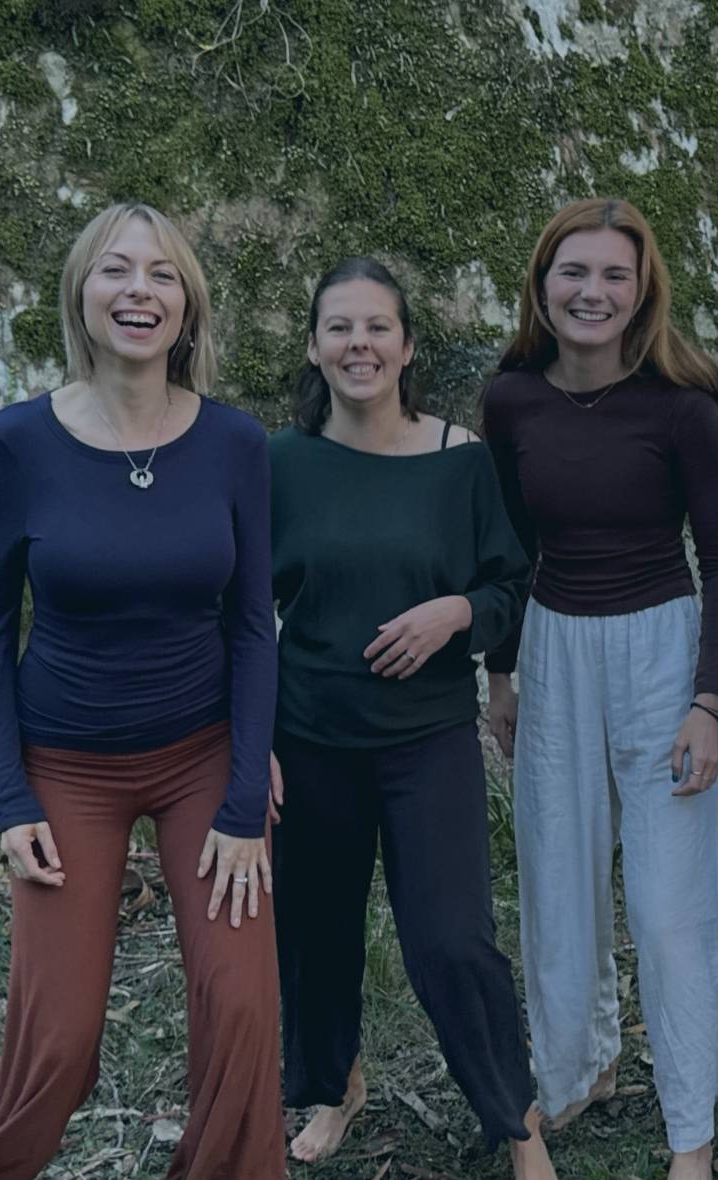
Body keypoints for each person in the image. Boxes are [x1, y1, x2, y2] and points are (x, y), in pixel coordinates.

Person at [0, 202, 284, 1180]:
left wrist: (243, 797)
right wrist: (10, 795)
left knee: (240, 1006)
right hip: (66, 769)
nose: (138, 290)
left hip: (202, 761)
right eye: (115, 269)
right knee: (59, 1037)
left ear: (187, 307)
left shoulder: (235, 444)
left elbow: (252, 625)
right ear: (80, 294)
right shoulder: (20, 441)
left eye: (161, 274)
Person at [482, 198, 718, 1180]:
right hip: (556, 652)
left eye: (614, 275)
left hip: (661, 657)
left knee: (669, 904)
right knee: (557, 882)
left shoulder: (682, 408)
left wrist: (707, 703)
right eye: (573, 271)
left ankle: (691, 1135)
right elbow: (510, 549)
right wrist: (501, 673)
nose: (591, 291)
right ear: (541, 285)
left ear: (642, 293)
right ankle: (577, 1068)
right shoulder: (511, 400)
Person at [267, 257, 557, 1180]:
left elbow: (510, 585)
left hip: (426, 739)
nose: (359, 344)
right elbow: (240, 609)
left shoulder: (458, 460)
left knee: (453, 941)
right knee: (314, 933)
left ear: (407, 346)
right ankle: (335, 1085)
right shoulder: (278, 463)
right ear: (314, 346)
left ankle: (518, 1124)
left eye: (377, 327)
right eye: (340, 328)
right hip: (308, 736)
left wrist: (457, 612)